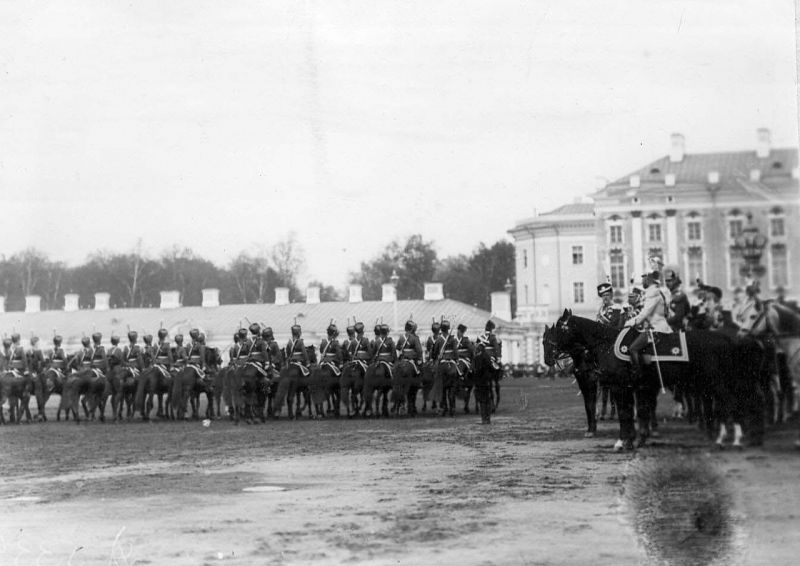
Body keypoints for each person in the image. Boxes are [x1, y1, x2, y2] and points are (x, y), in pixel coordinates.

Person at [624, 269, 672, 381]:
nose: (642, 281)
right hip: (661, 326)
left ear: (649, 279)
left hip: (655, 329)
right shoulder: (661, 291)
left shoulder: (652, 293)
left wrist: (628, 323)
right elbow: (667, 313)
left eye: (644, 278)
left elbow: (643, 315)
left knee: (633, 349)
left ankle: (639, 375)